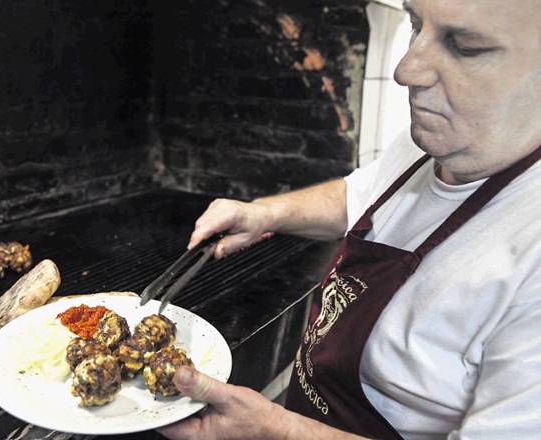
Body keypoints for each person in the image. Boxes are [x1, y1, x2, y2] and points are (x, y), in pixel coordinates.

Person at [158, 0, 541, 438]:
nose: (406, 70)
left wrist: (277, 431)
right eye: (415, 25)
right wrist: (263, 212)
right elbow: (357, 195)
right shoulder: (434, 140)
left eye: (465, 45)